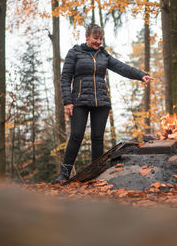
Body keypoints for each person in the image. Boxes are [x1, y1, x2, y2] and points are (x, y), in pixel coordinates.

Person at [51, 23, 154, 184]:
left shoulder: (103, 55)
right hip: (79, 101)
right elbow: (65, 78)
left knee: (97, 138)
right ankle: (64, 174)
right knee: (76, 136)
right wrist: (67, 101)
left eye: (100, 38)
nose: (98, 41)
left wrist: (141, 75)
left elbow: (122, 67)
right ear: (87, 36)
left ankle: (96, 174)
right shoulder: (74, 53)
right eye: (95, 38)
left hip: (101, 101)